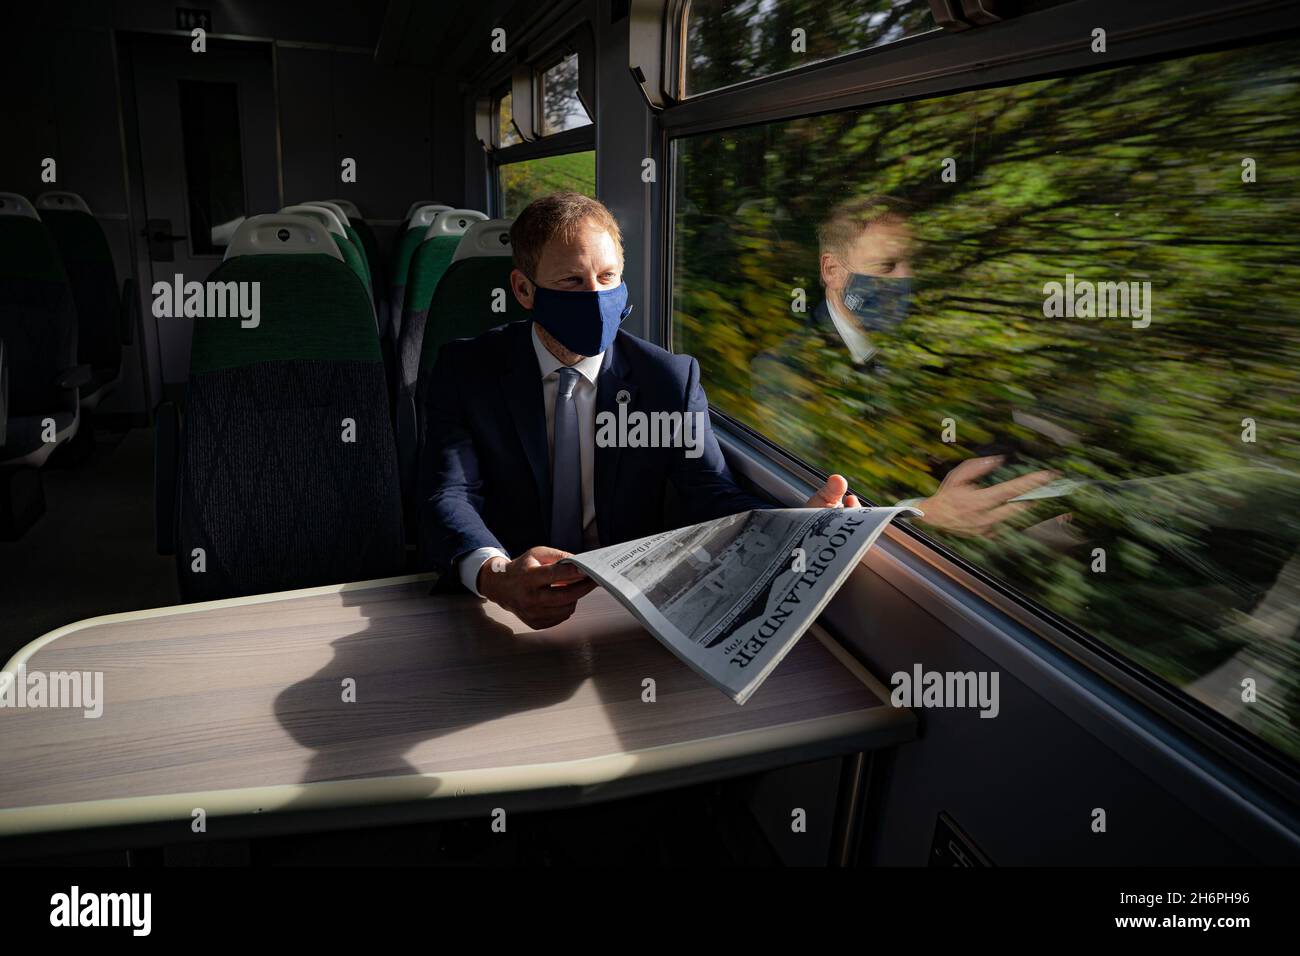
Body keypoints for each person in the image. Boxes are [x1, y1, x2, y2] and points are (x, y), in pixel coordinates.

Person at [419, 192, 861, 630]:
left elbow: (711, 492)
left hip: (622, 607)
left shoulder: (666, 380)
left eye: (608, 277)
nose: (595, 296)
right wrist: (496, 576)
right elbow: (450, 492)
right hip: (502, 601)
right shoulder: (468, 369)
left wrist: (793, 527)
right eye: (572, 282)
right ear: (523, 289)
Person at [752, 195, 1058, 537]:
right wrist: (924, 514)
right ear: (833, 271)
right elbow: (807, 512)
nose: (905, 279)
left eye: (910, 264)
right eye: (887, 266)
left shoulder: (918, 349)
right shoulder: (785, 370)